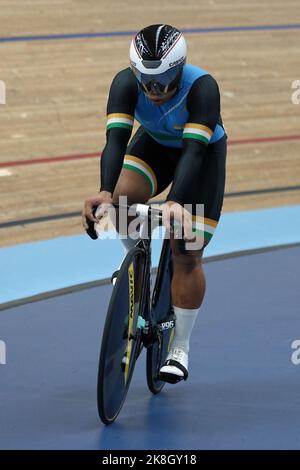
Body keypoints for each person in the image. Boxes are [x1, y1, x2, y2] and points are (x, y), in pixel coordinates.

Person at [82, 24, 227, 383]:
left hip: (201, 156)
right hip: (156, 146)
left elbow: (193, 152)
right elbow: (116, 140)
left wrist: (177, 202)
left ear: (180, 70)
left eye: (163, 82)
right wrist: (104, 191)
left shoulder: (203, 88)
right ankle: (137, 266)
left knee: (186, 251)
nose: (154, 91)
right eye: (146, 81)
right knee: (121, 201)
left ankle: (180, 347)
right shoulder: (124, 84)